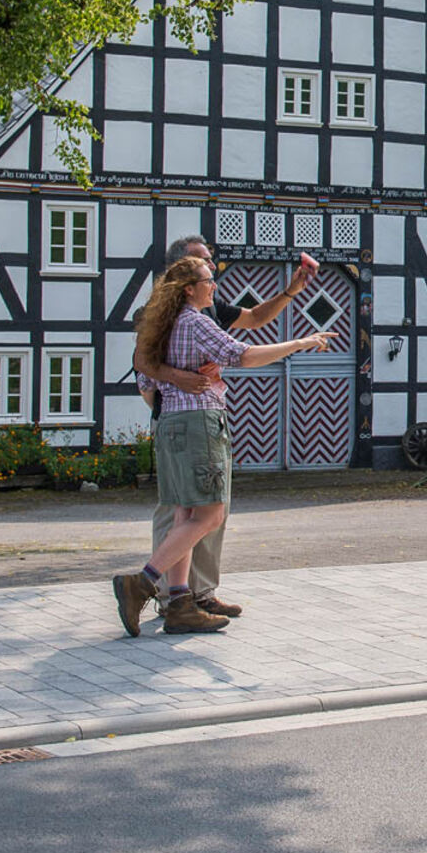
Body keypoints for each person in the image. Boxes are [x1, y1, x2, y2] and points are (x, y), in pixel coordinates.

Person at [113, 258, 335, 636]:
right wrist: (301, 342)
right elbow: (243, 355)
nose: (213, 285)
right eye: (208, 280)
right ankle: (142, 582)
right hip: (199, 423)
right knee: (211, 514)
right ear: (188, 288)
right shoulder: (195, 321)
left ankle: (180, 603)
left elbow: (145, 368)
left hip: (171, 424)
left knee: (186, 513)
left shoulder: (162, 323)